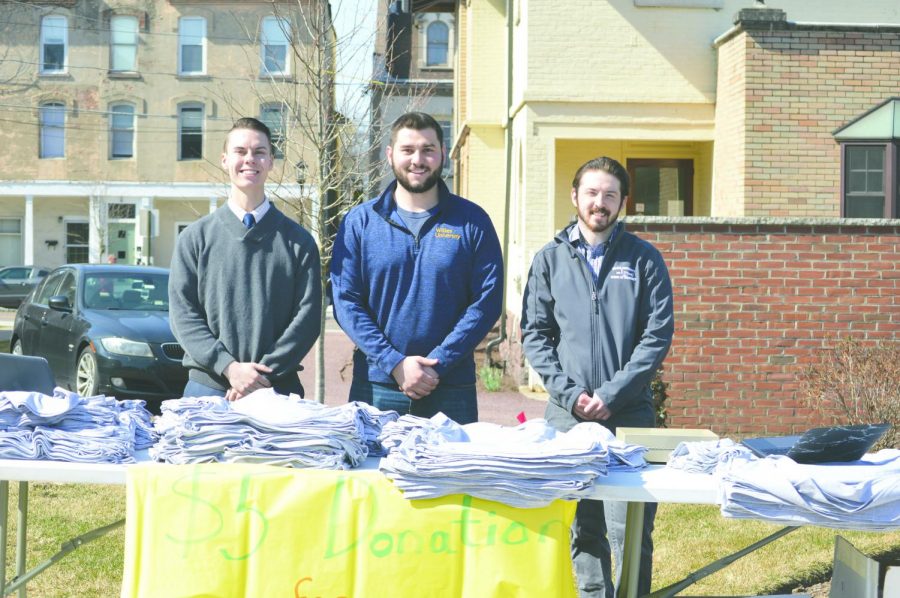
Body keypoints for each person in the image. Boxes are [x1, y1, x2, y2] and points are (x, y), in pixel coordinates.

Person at [520, 156, 674, 598]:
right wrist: (571, 396)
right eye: (591, 193)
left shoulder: (644, 260)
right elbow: (535, 333)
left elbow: (657, 334)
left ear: (622, 202)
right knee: (582, 528)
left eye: (609, 195)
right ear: (575, 197)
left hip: (630, 416)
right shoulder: (550, 259)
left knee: (631, 528)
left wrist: (611, 393)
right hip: (568, 420)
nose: (599, 203)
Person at [330, 111, 503, 424]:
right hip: (377, 385)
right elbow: (346, 303)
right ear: (390, 154)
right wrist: (394, 363)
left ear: (442, 153)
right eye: (408, 150)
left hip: (450, 387)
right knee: (375, 472)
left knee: (451, 474)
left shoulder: (472, 222)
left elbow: (486, 303)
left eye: (427, 149)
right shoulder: (359, 223)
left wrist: (437, 364)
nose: (418, 159)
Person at [169, 117, 321, 401]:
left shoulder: (299, 242)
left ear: (271, 161)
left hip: (278, 391)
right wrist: (229, 368)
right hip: (208, 391)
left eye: (259, 152)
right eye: (240, 151)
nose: (250, 159)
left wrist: (257, 376)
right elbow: (183, 315)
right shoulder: (194, 238)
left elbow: (308, 318)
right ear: (225, 160)